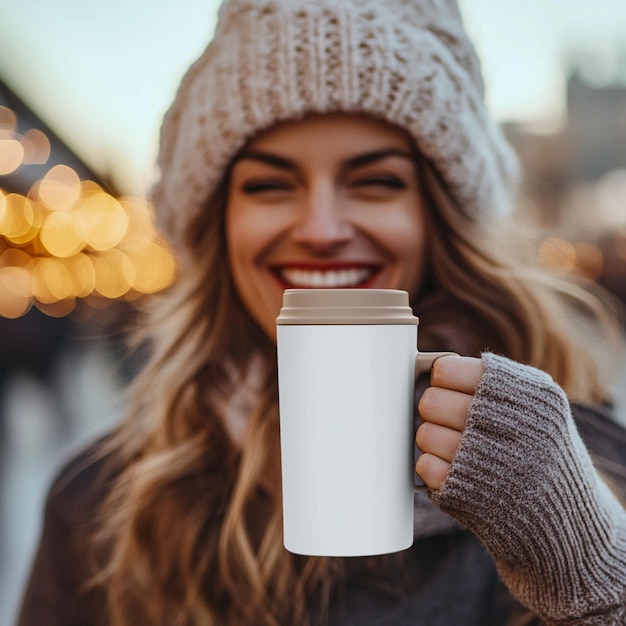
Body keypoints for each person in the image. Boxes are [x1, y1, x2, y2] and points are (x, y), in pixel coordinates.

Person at [16, 0, 626, 624]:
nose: (322, 229)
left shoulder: (590, 469)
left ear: (439, 217)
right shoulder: (100, 509)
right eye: (269, 185)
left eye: (376, 181)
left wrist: (594, 573)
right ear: (216, 225)